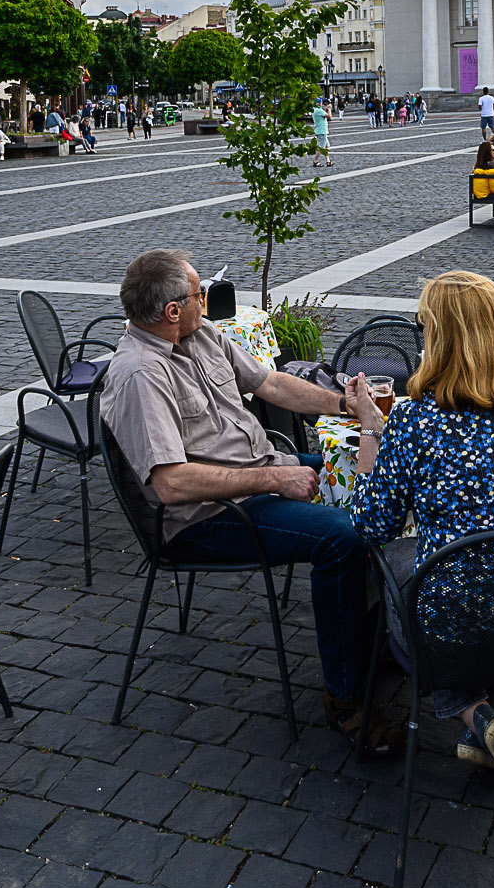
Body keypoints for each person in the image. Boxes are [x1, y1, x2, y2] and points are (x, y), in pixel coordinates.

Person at [101, 249, 400, 752]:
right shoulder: (139, 375)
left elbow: (272, 383)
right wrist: (271, 483)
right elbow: (172, 484)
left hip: (264, 471)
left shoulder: (199, 335)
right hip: (210, 517)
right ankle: (346, 698)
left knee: (381, 485)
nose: (206, 299)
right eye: (199, 294)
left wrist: (343, 404)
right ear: (172, 310)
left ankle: (376, 638)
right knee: (342, 538)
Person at [345, 270, 494, 780]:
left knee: (405, 566)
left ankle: (474, 712)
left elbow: (370, 523)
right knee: (480, 574)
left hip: (460, 620)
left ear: (440, 337)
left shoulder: (415, 420)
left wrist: (370, 432)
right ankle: (481, 722)